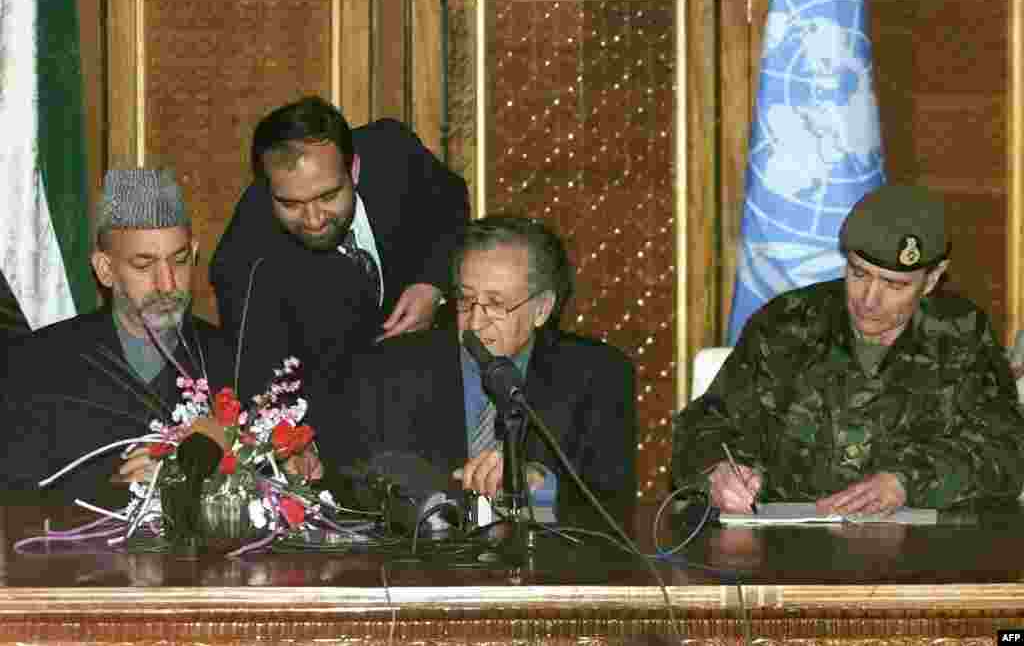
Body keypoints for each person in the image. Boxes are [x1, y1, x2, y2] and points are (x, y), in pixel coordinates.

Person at [673, 184, 1024, 514]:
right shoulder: (786, 324)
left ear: (932, 279)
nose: (869, 300)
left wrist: (908, 482)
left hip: (919, 556)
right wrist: (716, 473)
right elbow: (702, 427)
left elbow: (1008, 449)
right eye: (858, 274)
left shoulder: (960, 334)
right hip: (785, 547)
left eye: (894, 285)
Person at [319, 216, 636, 513]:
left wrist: (540, 487)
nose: (475, 322)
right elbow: (349, 485)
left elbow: (611, 506)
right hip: (424, 565)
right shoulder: (388, 370)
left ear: (542, 309)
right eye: (467, 300)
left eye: (496, 305)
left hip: (547, 568)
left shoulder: (598, 376)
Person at [209, 96, 470, 429]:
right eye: (291, 204)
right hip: (336, 417)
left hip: (443, 387)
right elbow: (258, 380)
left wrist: (433, 282)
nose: (314, 219)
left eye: (328, 196)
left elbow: (451, 202)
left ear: (355, 168)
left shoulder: (393, 151)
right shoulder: (246, 257)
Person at [0, 169, 236, 506]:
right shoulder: (37, 363)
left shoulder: (231, 359)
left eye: (180, 260)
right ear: (105, 270)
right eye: (144, 265)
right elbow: (14, 499)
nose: (168, 284)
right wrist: (115, 485)